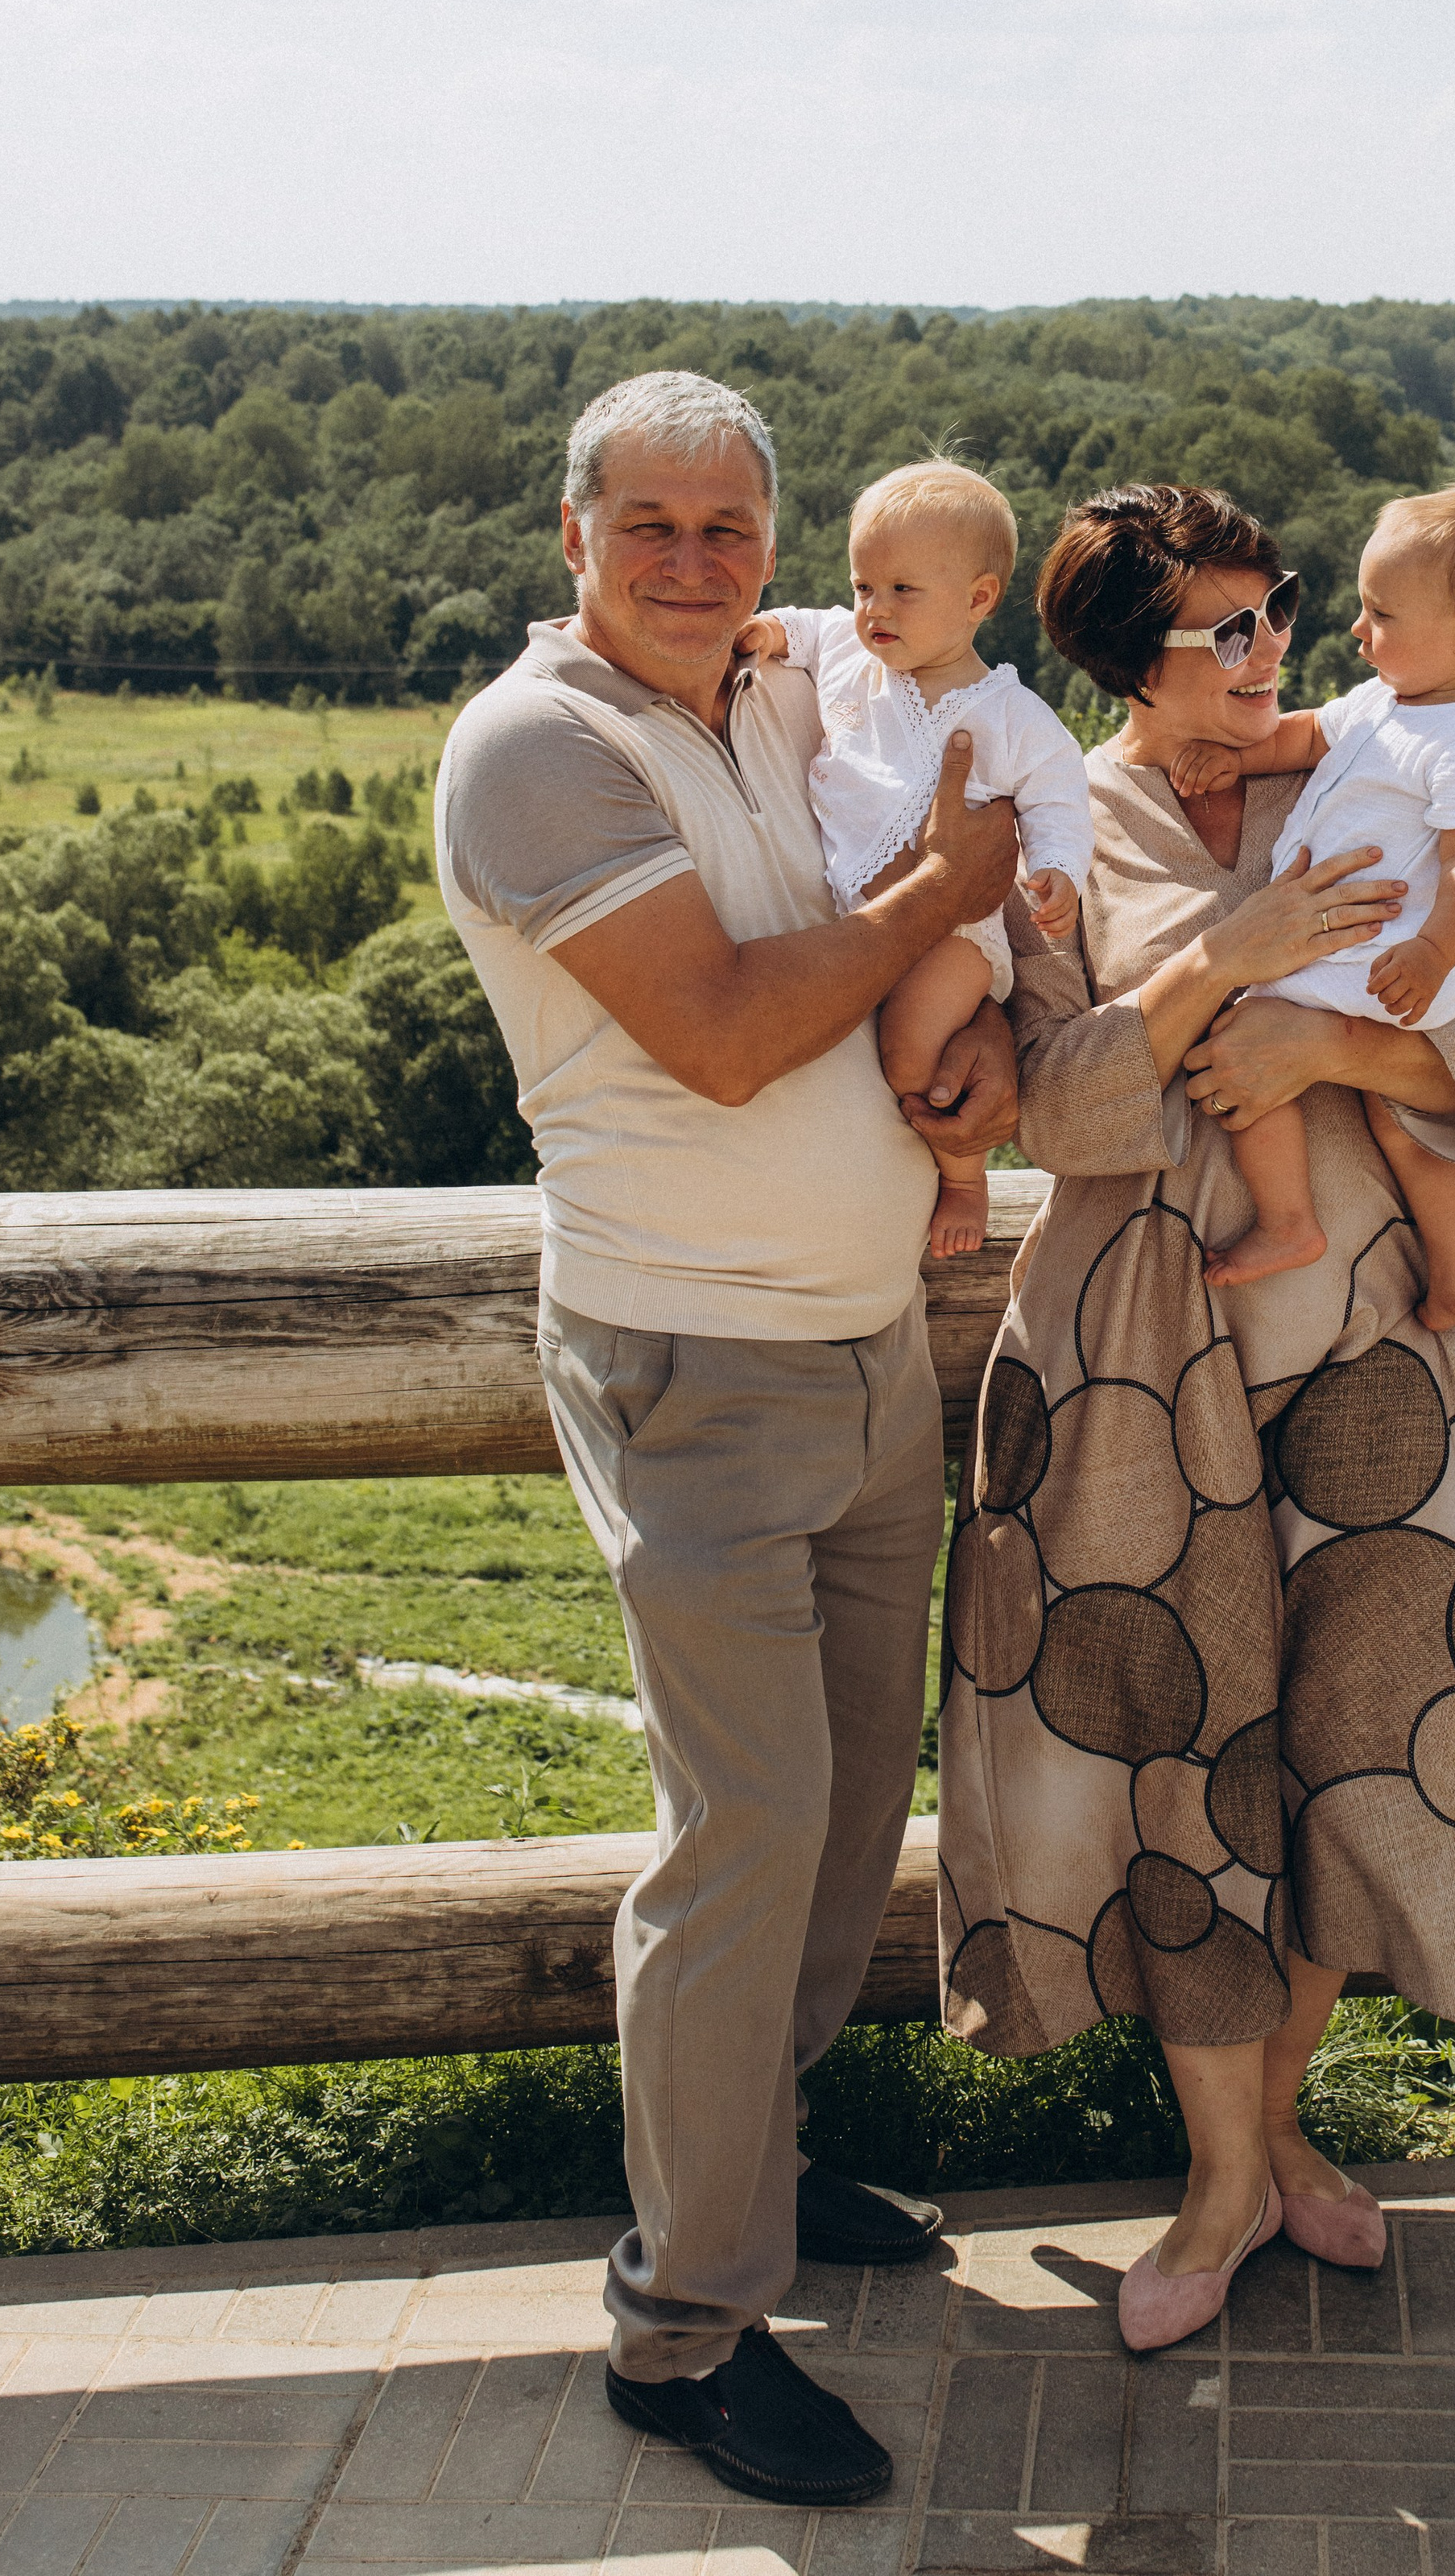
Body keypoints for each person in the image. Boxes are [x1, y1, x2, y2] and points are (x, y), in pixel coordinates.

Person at [436, 369, 1020, 2508]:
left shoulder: (774, 687)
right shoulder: (536, 749)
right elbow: (725, 1030)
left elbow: (885, 958)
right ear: (570, 536)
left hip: (868, 1345)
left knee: (855, 1807)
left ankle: (756, 2171)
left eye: (730, 529)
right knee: (745, 1835)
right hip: (690, 1367)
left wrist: (981, 1070)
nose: (697, 564)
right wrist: (948, 887)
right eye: (652, 525)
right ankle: (683, 2327)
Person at [933, 482, 1455, 2354]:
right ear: (1128, 657)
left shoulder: (1373, 756)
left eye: (1276, 607)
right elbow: (1060, 1098)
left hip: (1373, 1354)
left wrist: (1326, 1042)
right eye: (1224, 625)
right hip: (1141, 1362)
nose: (1269, 644)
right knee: (1180, 1762)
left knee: (1355, 1738)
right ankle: (1220, 2174)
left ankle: (1278, 2138)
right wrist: (1234, 950)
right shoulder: (1066, 821)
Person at [1172, 482, 1455, 1317]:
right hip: (1378, 952)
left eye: (1380, 615)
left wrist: (1430, 954)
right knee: (1404, 1122)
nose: (1357, 631)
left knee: (1244, 1033)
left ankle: (1288, 1222)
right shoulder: (1389, 703)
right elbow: (1308, 734)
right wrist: (1237, 760)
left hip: (1386, 952)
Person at [738, 459, 1093, 1254]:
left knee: (907, 1059)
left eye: (904, 591)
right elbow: (803, 625)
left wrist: (1057, 868)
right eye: (865, 586)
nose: (873, 610)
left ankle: (963, 1177)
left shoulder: (1011, 716)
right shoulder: (848, 655)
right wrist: (767, 633)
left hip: (953, 938)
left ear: (978, 598)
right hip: (857, 919)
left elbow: (1058, 797)